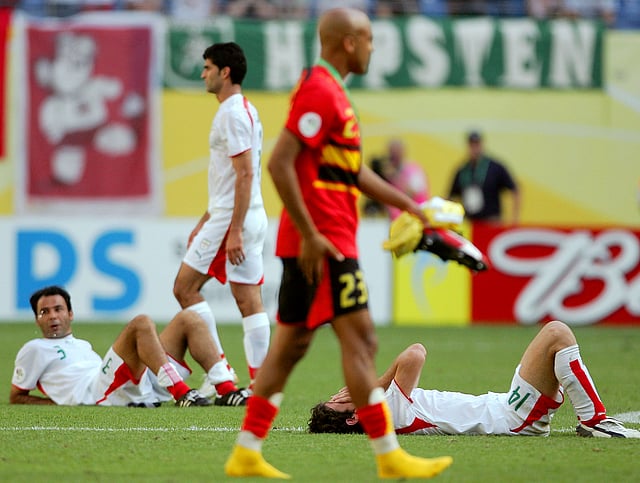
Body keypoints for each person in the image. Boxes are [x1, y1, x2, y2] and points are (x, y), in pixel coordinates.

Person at [224, 7, 453, 480]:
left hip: (325, 239)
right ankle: (389, 457)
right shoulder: (320, 91)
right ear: (349, 42)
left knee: (291, 347)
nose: (372, 47)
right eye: (369, 39)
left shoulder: (335, 94)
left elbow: (353, 171)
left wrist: (410, 206)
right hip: (323, 243)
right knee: (361, 339)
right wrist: (309, 232)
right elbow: (280, 162)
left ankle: (246, 451)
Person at [309, 320, 640, 439]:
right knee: (556, 334)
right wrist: (377, 384)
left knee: (556, 336)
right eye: (338, 400)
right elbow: (415, 354)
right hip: (512, 417)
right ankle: (595, 421)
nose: (342, 393)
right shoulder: (384, 414)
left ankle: (592, 419)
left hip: (506, 409)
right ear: (353, 416)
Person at [173, 42, 270, 397]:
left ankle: (221, 375)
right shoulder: (244, 110)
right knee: (249, 301)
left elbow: (244, 174)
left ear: (225, 72)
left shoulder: (232, 113)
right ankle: (258, 386)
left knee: (184, 288)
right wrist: (206, 217)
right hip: (240, 214)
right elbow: (229, 179)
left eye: (208, 68)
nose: (203, 74)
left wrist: (232, 231)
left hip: (235, 219)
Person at [10, 285, 249, 407]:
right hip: (99, 391)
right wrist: (58, 403)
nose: (52, 316)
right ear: (37, 319)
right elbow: (17, 396)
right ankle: (182, 393)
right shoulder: (34, 348)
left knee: (189, 318)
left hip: (133, 385)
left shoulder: (82, 344)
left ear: (70, 313)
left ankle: (225, 389)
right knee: (141, 323)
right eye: (44, 312)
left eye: (58, 309)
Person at [448, 130, 520, 224]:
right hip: (470, 222)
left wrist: (515, 219)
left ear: (482, 144)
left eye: (477, 144)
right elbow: (451, 197)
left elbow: (515, 190)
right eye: (471, 145)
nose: (474, 148)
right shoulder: (462, 170)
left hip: (491, 221)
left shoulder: (495, 167)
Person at [383, 138, 430, 220]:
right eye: (391, 151)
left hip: (415, 218)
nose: (394, 154)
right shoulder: (388, 172)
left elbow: (412, 192)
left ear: (403, 151)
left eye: (396, 151)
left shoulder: (414, 170)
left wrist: (395, 178)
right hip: (397, 219)